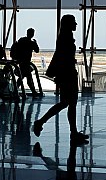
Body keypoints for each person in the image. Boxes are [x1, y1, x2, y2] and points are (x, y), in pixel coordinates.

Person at [32, 14, 89, 145]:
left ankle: (69, 131)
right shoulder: (66, 38)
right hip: (67, 74)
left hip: (65, 73)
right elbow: (63, 57)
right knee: (69, 103)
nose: (76, 24)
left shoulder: (64, 37)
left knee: (66, 103)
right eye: (74, 22)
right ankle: (69, 131)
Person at [13, 27, 40, 97]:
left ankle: (15, 91)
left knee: (22, 77)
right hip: (26, 62)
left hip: (21, 61)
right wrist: (35, 43)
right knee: (27, 78)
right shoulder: (31, 43)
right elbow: (37, 50)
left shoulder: (21, 40)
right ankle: (33, 92)